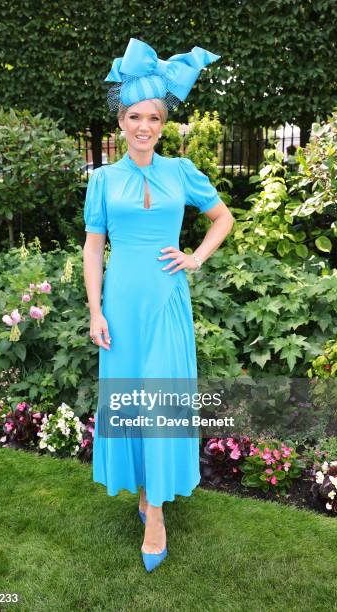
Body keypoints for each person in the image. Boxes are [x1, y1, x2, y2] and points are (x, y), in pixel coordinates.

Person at [83, 38, 235, 572]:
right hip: (122, 307)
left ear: (162, 124)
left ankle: (156, 513)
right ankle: (146, 493)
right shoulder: (102, 180)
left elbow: (223, 218)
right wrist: (96, 311)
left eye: (153, 117)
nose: (144, 125)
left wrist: (195, 258)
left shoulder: (180, 171)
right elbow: (94, 246)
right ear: (120, 122)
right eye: (134, 116)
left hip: (167, 301)